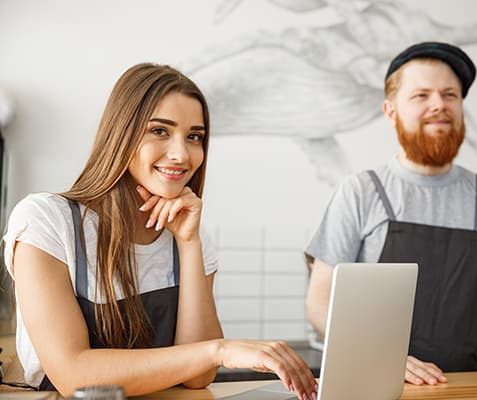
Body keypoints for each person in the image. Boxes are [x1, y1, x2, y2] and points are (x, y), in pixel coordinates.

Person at [2, 63, 317, 399]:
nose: (182, 154)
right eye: (159, 131)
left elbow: (199, 379)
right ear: (121, 134)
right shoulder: (45, 222)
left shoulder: (190, 237)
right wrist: (219, 349)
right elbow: (74, 375)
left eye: (194, 137)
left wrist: (189, 243)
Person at [304, 42, 477, 385]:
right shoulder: (361, 192)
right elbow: (320, 301)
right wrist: (382, 356)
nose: (439, 106)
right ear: (391, 111)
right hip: (380, 383)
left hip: (471, 384)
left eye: (450, 95)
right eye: (421, 95)